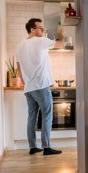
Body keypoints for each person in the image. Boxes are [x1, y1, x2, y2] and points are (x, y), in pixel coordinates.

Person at [15, 18, 61, 155]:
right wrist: (62, 32)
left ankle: (33, 146)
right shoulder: (40, 41)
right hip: (41, 85)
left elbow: (18, 68)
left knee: (32, 117)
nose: (43, 31)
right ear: (32, 30)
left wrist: (25, 83)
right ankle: (46, 147)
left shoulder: (19, 46)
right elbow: (61, 43)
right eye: (41, 28)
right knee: (47, 115)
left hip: (29, 87)